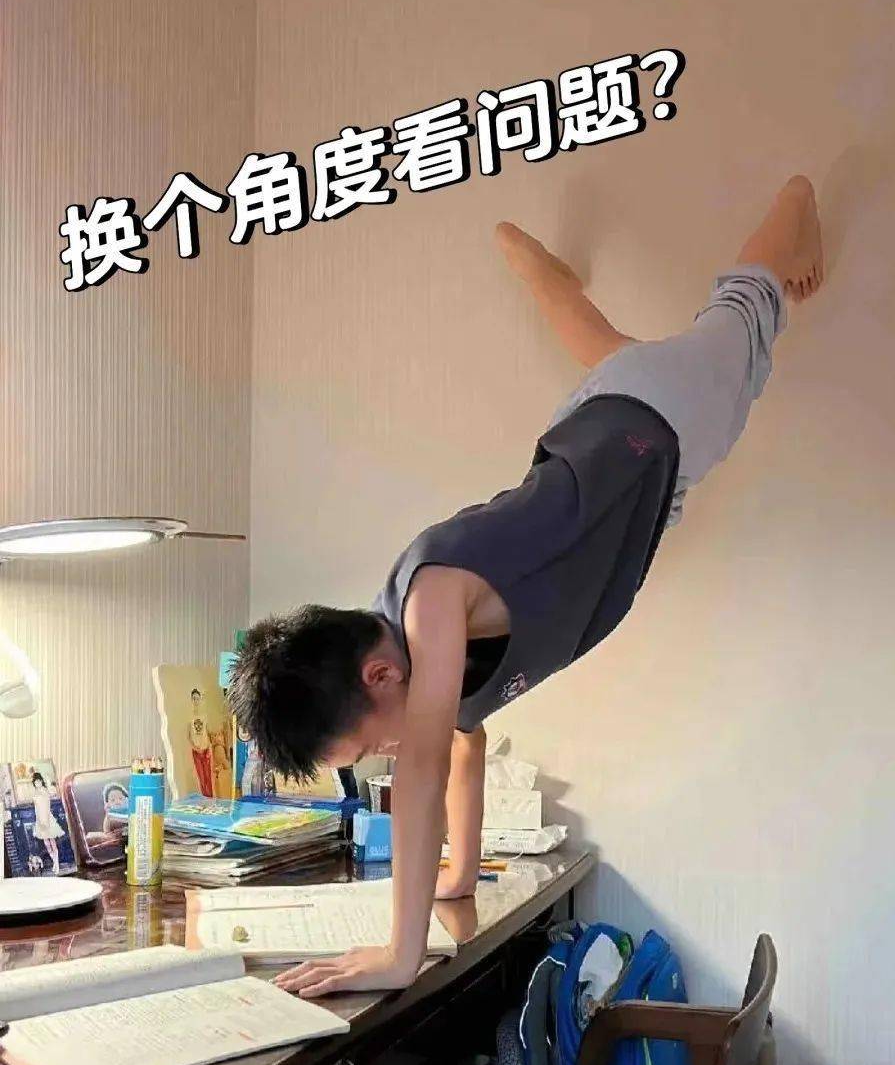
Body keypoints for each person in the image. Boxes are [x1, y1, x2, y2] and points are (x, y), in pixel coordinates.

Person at [229, 174, 826, 999]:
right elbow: (463, 745)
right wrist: (457, 874)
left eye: (367, 747)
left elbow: (427, 766)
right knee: (611, 349)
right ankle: (541, 270)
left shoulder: (431, 598)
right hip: (616, 431)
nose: (383, 758)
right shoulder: (419, 658)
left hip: (661, 419)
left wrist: (399, 952)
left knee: (746, 312)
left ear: (379, 676)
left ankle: (793, 203)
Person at [29, 769, 65, 874]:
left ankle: (57, 864)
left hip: (47, 818)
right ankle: (55, 862)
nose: (37, 783)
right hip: (40, 819)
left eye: (39, 781)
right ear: (34, 783)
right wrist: (39, 820)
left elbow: (47, 806)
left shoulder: (45, 791)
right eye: (36, 782)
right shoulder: (35, 793)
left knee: (52, 842)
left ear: (41, 781)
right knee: (47, 844)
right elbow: (36, 808)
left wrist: (46, 820)